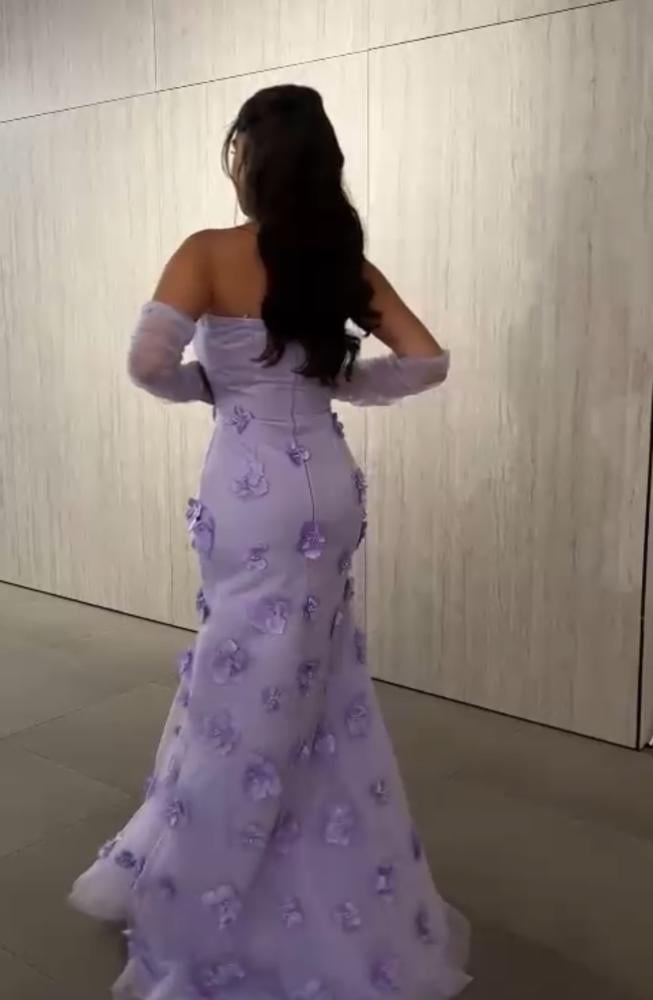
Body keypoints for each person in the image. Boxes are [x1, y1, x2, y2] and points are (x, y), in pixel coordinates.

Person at [70, 84, 469, 1000]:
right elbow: (426, 361)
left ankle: (211, 901)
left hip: (249, 491)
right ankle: (326, 877)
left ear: (247, 158)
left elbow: (147, 363)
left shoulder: (208, 252)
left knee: (238, 683)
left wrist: (210, 387)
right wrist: (336, 383)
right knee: (316, 679)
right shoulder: (340, 261)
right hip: (326, 485)